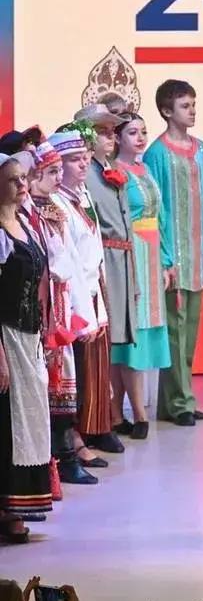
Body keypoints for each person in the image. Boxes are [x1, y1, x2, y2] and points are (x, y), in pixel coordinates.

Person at [142, 80, 203, 427]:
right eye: (185, 106)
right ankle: (179, 401)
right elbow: (156, 211)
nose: (192, 111)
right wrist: (165, 258)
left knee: (191, 330)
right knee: (174, 330)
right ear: (166, 111)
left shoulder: (201, 149)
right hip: (172, 256)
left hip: (196, 253)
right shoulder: (157, 154)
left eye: (193, 104)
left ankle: (178, 399)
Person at [26, 143, 92, 486]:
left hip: (61, 305)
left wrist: (85, 313)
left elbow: (72, 264)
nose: (57, 177)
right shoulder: (27, 213)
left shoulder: (55, 209)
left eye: (56, 171)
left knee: (65, 387)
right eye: (51, 172)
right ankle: (53, 461)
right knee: (46, 390)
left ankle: (65, 457)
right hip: (41, 309)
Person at [47, 131, 107, 475]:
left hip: (89, 293)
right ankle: (69, 445)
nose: (84, 164)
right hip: (69, 299)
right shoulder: (57, 205)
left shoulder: (81, 197)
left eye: (85, 157)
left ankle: (80, 436)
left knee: (84, 372)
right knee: (69, 374)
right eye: (74, 159)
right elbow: (67, 260)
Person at [78, 105, 137, 451]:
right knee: (96, 344)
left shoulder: (111, 170)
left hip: (122, 259)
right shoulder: (84, 174)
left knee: (110, 344)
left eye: (113, 131)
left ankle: (103, 419)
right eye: (102, 131)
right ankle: (93, 423)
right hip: (102, 261)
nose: (110, 137)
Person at [0, 154, 53, 541]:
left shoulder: (25, 223)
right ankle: (7, 508)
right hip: (6, 336)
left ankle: (20, 503)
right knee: (7, 423)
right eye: (14, 180)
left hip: (28, 335)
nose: (23, 185)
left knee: (29, 420)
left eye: (23, 178)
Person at [110, 113, 172, 439]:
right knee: (129, 334)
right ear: (118, 137)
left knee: (146, 330)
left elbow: (160, 217)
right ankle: (137, 413)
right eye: (132, 132)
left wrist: (166, 262)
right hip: (130, 252)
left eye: (143, 131)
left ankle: (117, 412)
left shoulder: (145, 170)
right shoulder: (113, 171)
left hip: (151, 253)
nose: (140, 137)